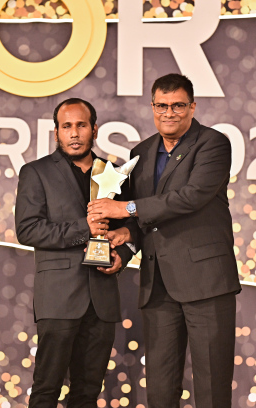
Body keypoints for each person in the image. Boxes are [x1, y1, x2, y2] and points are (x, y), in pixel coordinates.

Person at [87, 74, 241, 408]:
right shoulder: (141, 151)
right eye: (161, 105)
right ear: (152, 107)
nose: (169, 113)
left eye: (177, 105)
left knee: (212, 388)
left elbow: (189, 198)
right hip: (157, 286)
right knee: (159, 387)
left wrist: (124, 207)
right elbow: (145, 220)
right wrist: (126, 239)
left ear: (192, 107)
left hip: (206, 285)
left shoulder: (213, 143)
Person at [15, 98, 132, 408]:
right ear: (57, 132)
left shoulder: (113, 174)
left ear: (94, 129)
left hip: (103, 299)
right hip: (59, 298)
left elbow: (132, 230)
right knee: (46, 391)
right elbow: (28, 230)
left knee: (87, 394)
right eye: (67, 126)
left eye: (81, 125)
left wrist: (124, 256)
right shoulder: (35, 172)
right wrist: (85, 228)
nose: (75, 133)